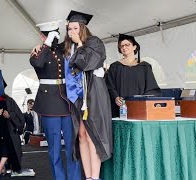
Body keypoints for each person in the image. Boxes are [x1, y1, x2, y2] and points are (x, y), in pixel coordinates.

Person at [64, 10, 113, 180]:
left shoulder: (94, 42)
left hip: (93, 95)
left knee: (93, 135)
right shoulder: (68, 47)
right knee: (82, 135)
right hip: (77, 97)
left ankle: (95, 176)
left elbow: (85, 63)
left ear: (83, 28)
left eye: (75, 28)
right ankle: (88, 176)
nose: (72, 33)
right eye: (69, 29)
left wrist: (79, 45)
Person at [30, 20, 81, 180]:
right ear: (42, 36)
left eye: (56, 33)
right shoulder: (38, 52)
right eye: (51, 34)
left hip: (67, 101)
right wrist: (45, 44)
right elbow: (38, 63)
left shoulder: (65, 49)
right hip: (49, 104)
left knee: (72, 146)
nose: (55, 38)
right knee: (54, 148)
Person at [105, 34, 161, 117]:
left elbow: (152, 87)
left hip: (140, 106)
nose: (124, 47)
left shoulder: (145, 66)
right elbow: (109, 86)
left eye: (127, 45)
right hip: (120, 107)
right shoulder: (115, 67)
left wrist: (143, 99)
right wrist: (116, 97)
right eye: (121, 46)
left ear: (134, 47)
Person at [0, 91, 25, 175]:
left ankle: (2, 167)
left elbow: (20, 118)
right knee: (1, 149)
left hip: (9, 132)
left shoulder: (9, 101)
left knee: (8, 149)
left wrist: (9, 116)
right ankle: (0, 168)